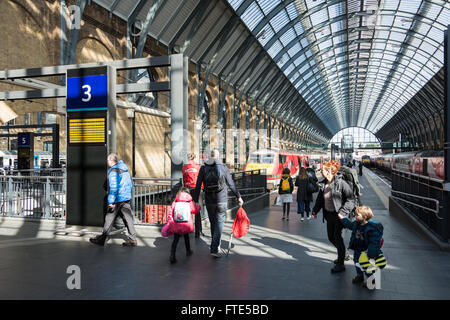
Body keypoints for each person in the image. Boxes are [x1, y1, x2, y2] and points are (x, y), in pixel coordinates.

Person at [192, 149, 244, 258]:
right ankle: (215, 248)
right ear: (218, 156)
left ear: (210, 156)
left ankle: (216, 245)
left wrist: (195, 200)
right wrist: (238, 196)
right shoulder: (223, 167)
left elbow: (197, 185)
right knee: (219, 224)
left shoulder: (203, 168)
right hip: (222, 199)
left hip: (209, 200)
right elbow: (231, 184)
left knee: (213, 223)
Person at [312, 160, 356, 273]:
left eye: (323, 171)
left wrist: (343, 212)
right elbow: (320, 199)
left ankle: (341, 264)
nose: (321, 172)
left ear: (330, 171)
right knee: (331, 237)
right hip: (329, 214)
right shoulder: (323, 183)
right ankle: (343, 253)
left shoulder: (341, 183)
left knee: (337, 237)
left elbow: (351, 199)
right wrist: (315, 211)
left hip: (340, 215)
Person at [90, 153, 137, 247]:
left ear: (112, 161)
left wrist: (111, 201)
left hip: (118, 199)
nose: (107, 162)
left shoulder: (113, 171)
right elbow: (130, 185)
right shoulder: (124, 169)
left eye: (108, 160)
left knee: (109, 218)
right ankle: (133, 239)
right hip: (125, 197)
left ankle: (102, 240)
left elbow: (114, 187)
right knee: (128, 219)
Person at [337, 206, 384, 286]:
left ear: (364, 216)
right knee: (357, 263)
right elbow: (350, 225)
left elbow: (374, 242)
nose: (355, 216)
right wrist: (343, 218)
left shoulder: (371, 228)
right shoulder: (357, 223)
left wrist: (371, 253)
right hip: (357, 249)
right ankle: (360, 276)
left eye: (357, 215)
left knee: (366, 266)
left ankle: (371, 280)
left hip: (366, 251)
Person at [161, 187, 200, 264]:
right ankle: (188, 251)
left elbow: (170, 213)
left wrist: (170, 222)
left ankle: (172, 255)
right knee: (186, 236)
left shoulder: (175, 202)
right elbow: (194, 210)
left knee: (175, 240)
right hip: (186, 223)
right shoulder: (189, 202)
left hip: (176, 223)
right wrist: (198, 207)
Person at [182, 153, 205, 238]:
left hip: (188, 189)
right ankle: (198, 232)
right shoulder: (199, 167)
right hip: (198, 189)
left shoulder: (184, 167)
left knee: (187, 210)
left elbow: (184, 178)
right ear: (194, 158)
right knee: (197, 210)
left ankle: (187, 229)